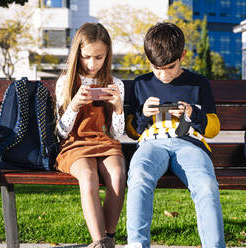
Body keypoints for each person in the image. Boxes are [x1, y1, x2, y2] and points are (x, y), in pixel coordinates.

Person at [125, 22, 226, 248]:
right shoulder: (142, 83)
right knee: (139, 176)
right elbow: (133, 132)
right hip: (152, 143)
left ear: (183, 56)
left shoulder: (198, 83)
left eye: (170, 67)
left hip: (189, 144)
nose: (162, 74)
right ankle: (137, 244)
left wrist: (193, 113)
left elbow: (213, 128)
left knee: (206, 186)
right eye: (155, 67)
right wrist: (142, 115)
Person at [55, 22, 126, 248]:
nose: (92, 63)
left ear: (107, 55)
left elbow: (117, 133)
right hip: (75, 145)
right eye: (87, 57)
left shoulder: (116, 84)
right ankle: (100, 243)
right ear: (78, 53)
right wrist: (74, 105)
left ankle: (108, 239)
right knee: (88, 175)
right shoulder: (65, 83)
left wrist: (118, 109)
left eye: (99, 57)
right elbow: (60, 133)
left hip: (105, 143)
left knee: (117, 173)